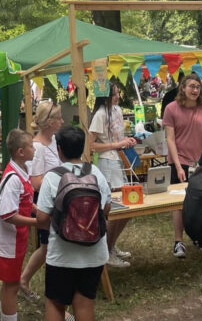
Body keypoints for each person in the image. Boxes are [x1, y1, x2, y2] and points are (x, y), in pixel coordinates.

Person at [36, 126, 111, 321]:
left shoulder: (52, 177)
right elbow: (106, 209)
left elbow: (41, 219)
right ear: (83, 147)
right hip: (94, 253)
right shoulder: (96, 173)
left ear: (59, 149)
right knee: (84, 303)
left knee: (55, 303)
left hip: (62, 254)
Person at [162, 72, 202, 258]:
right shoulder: (171, 108)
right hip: (180, 161)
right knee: (179, 202)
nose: (195, 90)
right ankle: (178, 242)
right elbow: (170, 139)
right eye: (192, 86)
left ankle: (200, 237)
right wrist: (178, 166)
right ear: (183, 88)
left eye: (198, 87)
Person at [89, 83, 136, 268]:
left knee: (126, 208)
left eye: (117, 93)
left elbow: (118, 138)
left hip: (119, 160)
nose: (117, 96)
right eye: (114, 94)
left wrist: (126, 141)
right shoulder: (100, 114)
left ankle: (111, 245)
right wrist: (116, 145)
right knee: (117, 209)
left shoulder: (117, 110)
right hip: (107, 163)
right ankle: (106, 251)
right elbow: (91, 145)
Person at [0, 129, 37, 321]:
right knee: (11, 285)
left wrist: (38, 210)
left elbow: (25, 200)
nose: (34, 149)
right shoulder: (13, 179)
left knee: (13, 282)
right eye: (31, 146)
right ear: (21, 152)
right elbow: (8, 214)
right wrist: (37, 222)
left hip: (18, 237)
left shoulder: (23, 170)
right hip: (8, 240)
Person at [20, 100, 64, 299]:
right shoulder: (37, 148)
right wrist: (61, 178)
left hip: (59, 196)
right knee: (48, 245)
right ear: (50, 122)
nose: (62, 121)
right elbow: (36, 182)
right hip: (46, 200)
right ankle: (25, 280)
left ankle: (24, 280)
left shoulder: (54, 141)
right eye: (59, 118)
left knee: (48, 245)